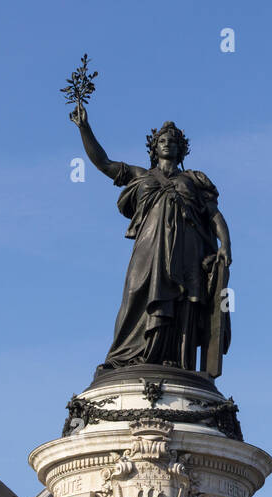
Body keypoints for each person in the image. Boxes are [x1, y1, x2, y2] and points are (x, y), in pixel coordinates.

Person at [71, 104, 232, 375]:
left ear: (181, 149)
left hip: (186, 250)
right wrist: (84, 128)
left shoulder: (193, 180)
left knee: (182, 303)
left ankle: (174, 360)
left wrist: (225, 244)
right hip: (148, 248)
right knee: (136, 294)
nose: (167, 144)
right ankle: (124, 357)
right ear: (154, 148)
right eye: (162, 140)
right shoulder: (141, 175)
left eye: (173, 141)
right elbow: (104, 163)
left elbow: (214, 216)